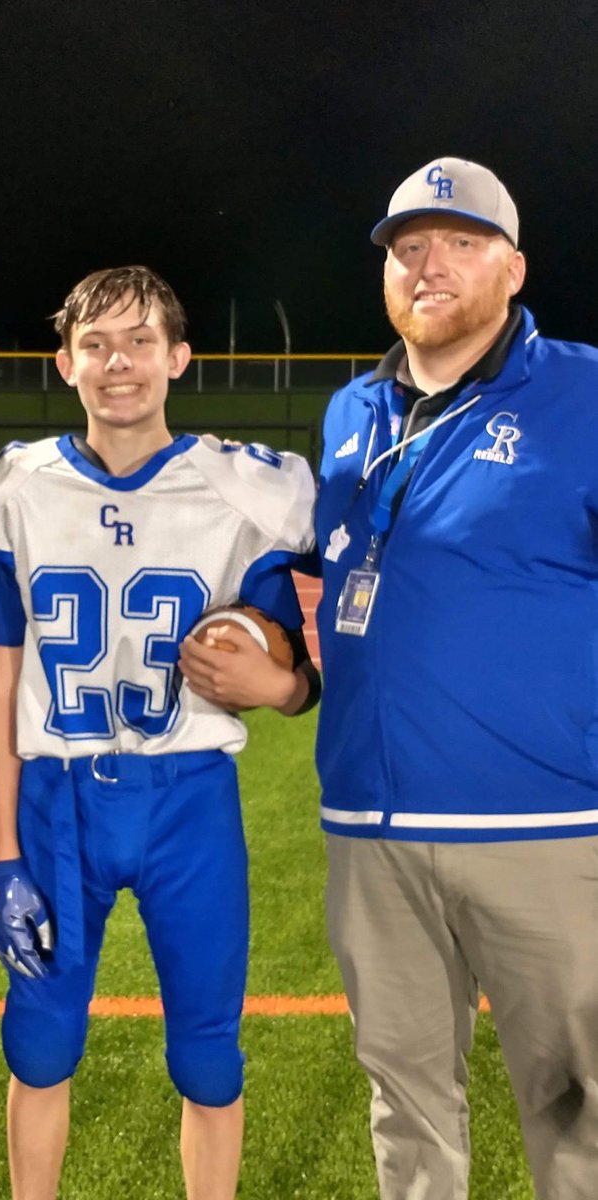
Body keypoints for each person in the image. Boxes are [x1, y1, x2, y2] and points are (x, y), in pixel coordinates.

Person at [0, 265, 320, 1200]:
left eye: (137, 341)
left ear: (178, 357)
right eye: (96, 344)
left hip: (190, 798)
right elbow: (2, 683)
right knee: (39, 1046)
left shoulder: (245, 487)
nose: (117, 362)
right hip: (57, 803)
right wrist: (1, 850)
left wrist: (277, 676)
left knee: (209, 1055)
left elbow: (288, 655)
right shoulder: (15, 488)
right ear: (65, 362)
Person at [308, 158, 597, 1199]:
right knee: (407, 1117)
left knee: (578, 1117)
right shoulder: (350, 413)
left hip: (545, 831)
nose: (428, 265)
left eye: (460, 242)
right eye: (408, 246)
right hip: (371, 838)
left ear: (513, 268)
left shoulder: (585, 390)